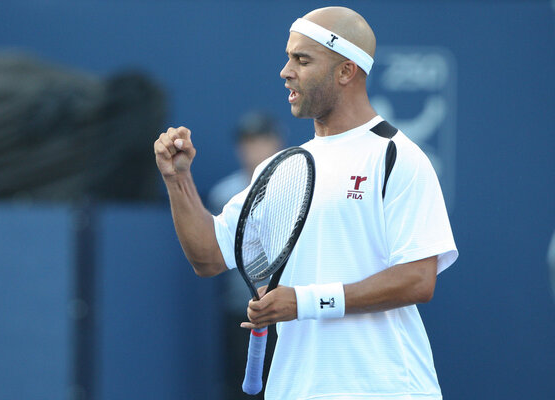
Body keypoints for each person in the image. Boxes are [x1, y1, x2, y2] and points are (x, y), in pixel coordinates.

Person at [154, 6, 458, 400]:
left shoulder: (397, 156)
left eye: (302, 59)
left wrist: (304, 301)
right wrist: (177, 179)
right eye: (287, 57)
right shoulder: (279, 169)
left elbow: (418, 279)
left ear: (346, 71)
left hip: (385, 388)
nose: (285, 71)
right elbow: (209, 256)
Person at [207, 111, 284, 400]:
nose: (254, 148)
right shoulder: (223, 193)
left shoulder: (298, 185)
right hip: (241, 314)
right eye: (247, 142)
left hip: (287, 315)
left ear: (276, 142)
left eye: (261, 140)